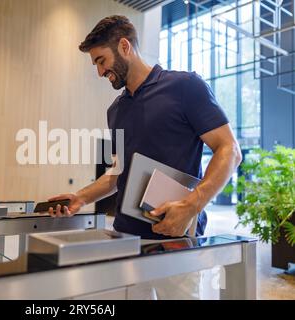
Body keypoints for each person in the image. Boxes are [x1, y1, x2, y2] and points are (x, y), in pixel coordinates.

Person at [47, 15, 242, 299]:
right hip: (125, 239)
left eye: (101, 61)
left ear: (124, 46)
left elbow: (229, 150)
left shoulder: (185, 87)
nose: (100, 72)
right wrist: (82, 197)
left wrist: (192, 204)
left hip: (175, 240)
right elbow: (118, 171)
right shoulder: (115, 110)